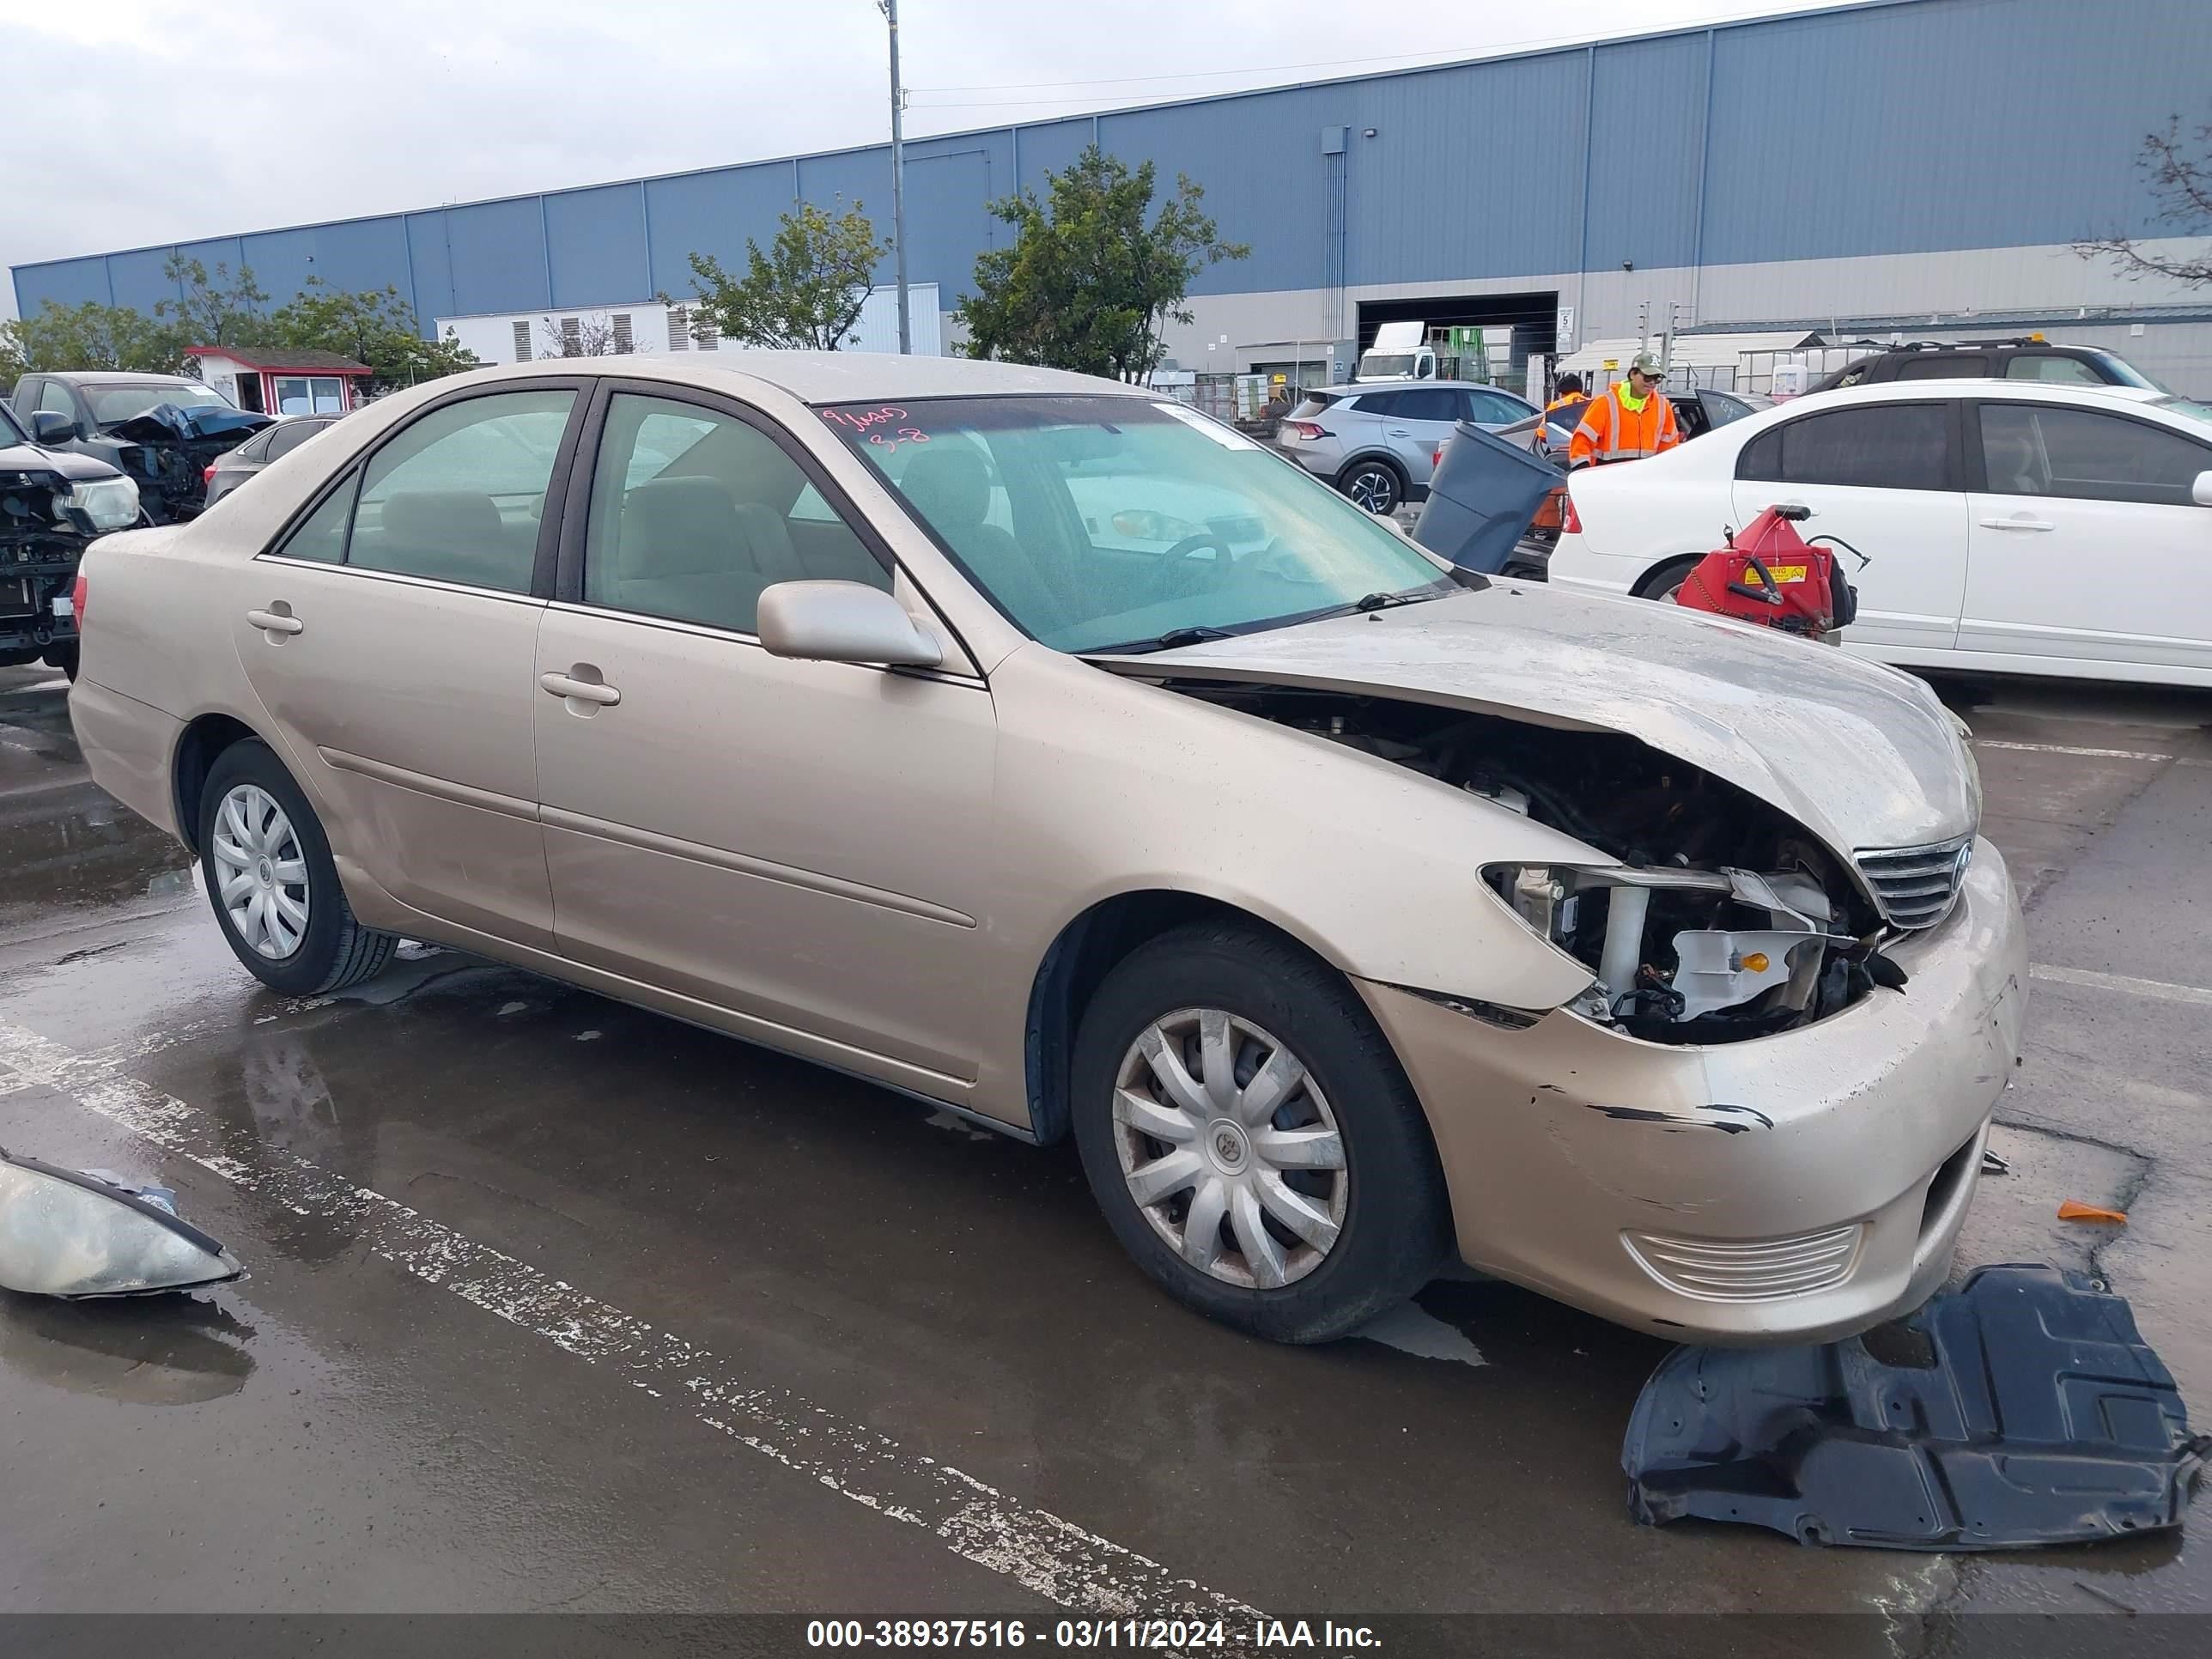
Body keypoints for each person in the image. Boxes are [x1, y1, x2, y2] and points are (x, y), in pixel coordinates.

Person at [1569, 350, 1680, 468]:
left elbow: (1669, 446)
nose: (1652, 383)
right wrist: (1582, 470)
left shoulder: (1663, 406)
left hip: (1645, 478)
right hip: (1608, 477)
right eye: (1647, 377)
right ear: (1632, 374)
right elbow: (1582, 439)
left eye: (1657, 379)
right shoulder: (1606, 403)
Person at [1534, 373, 1588, 453]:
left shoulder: (1556, 406)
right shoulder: (1592, 404)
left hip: (1561, 454)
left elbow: (1542, 433)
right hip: (1587, 453)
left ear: (1562, 392)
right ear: (1581, 390)